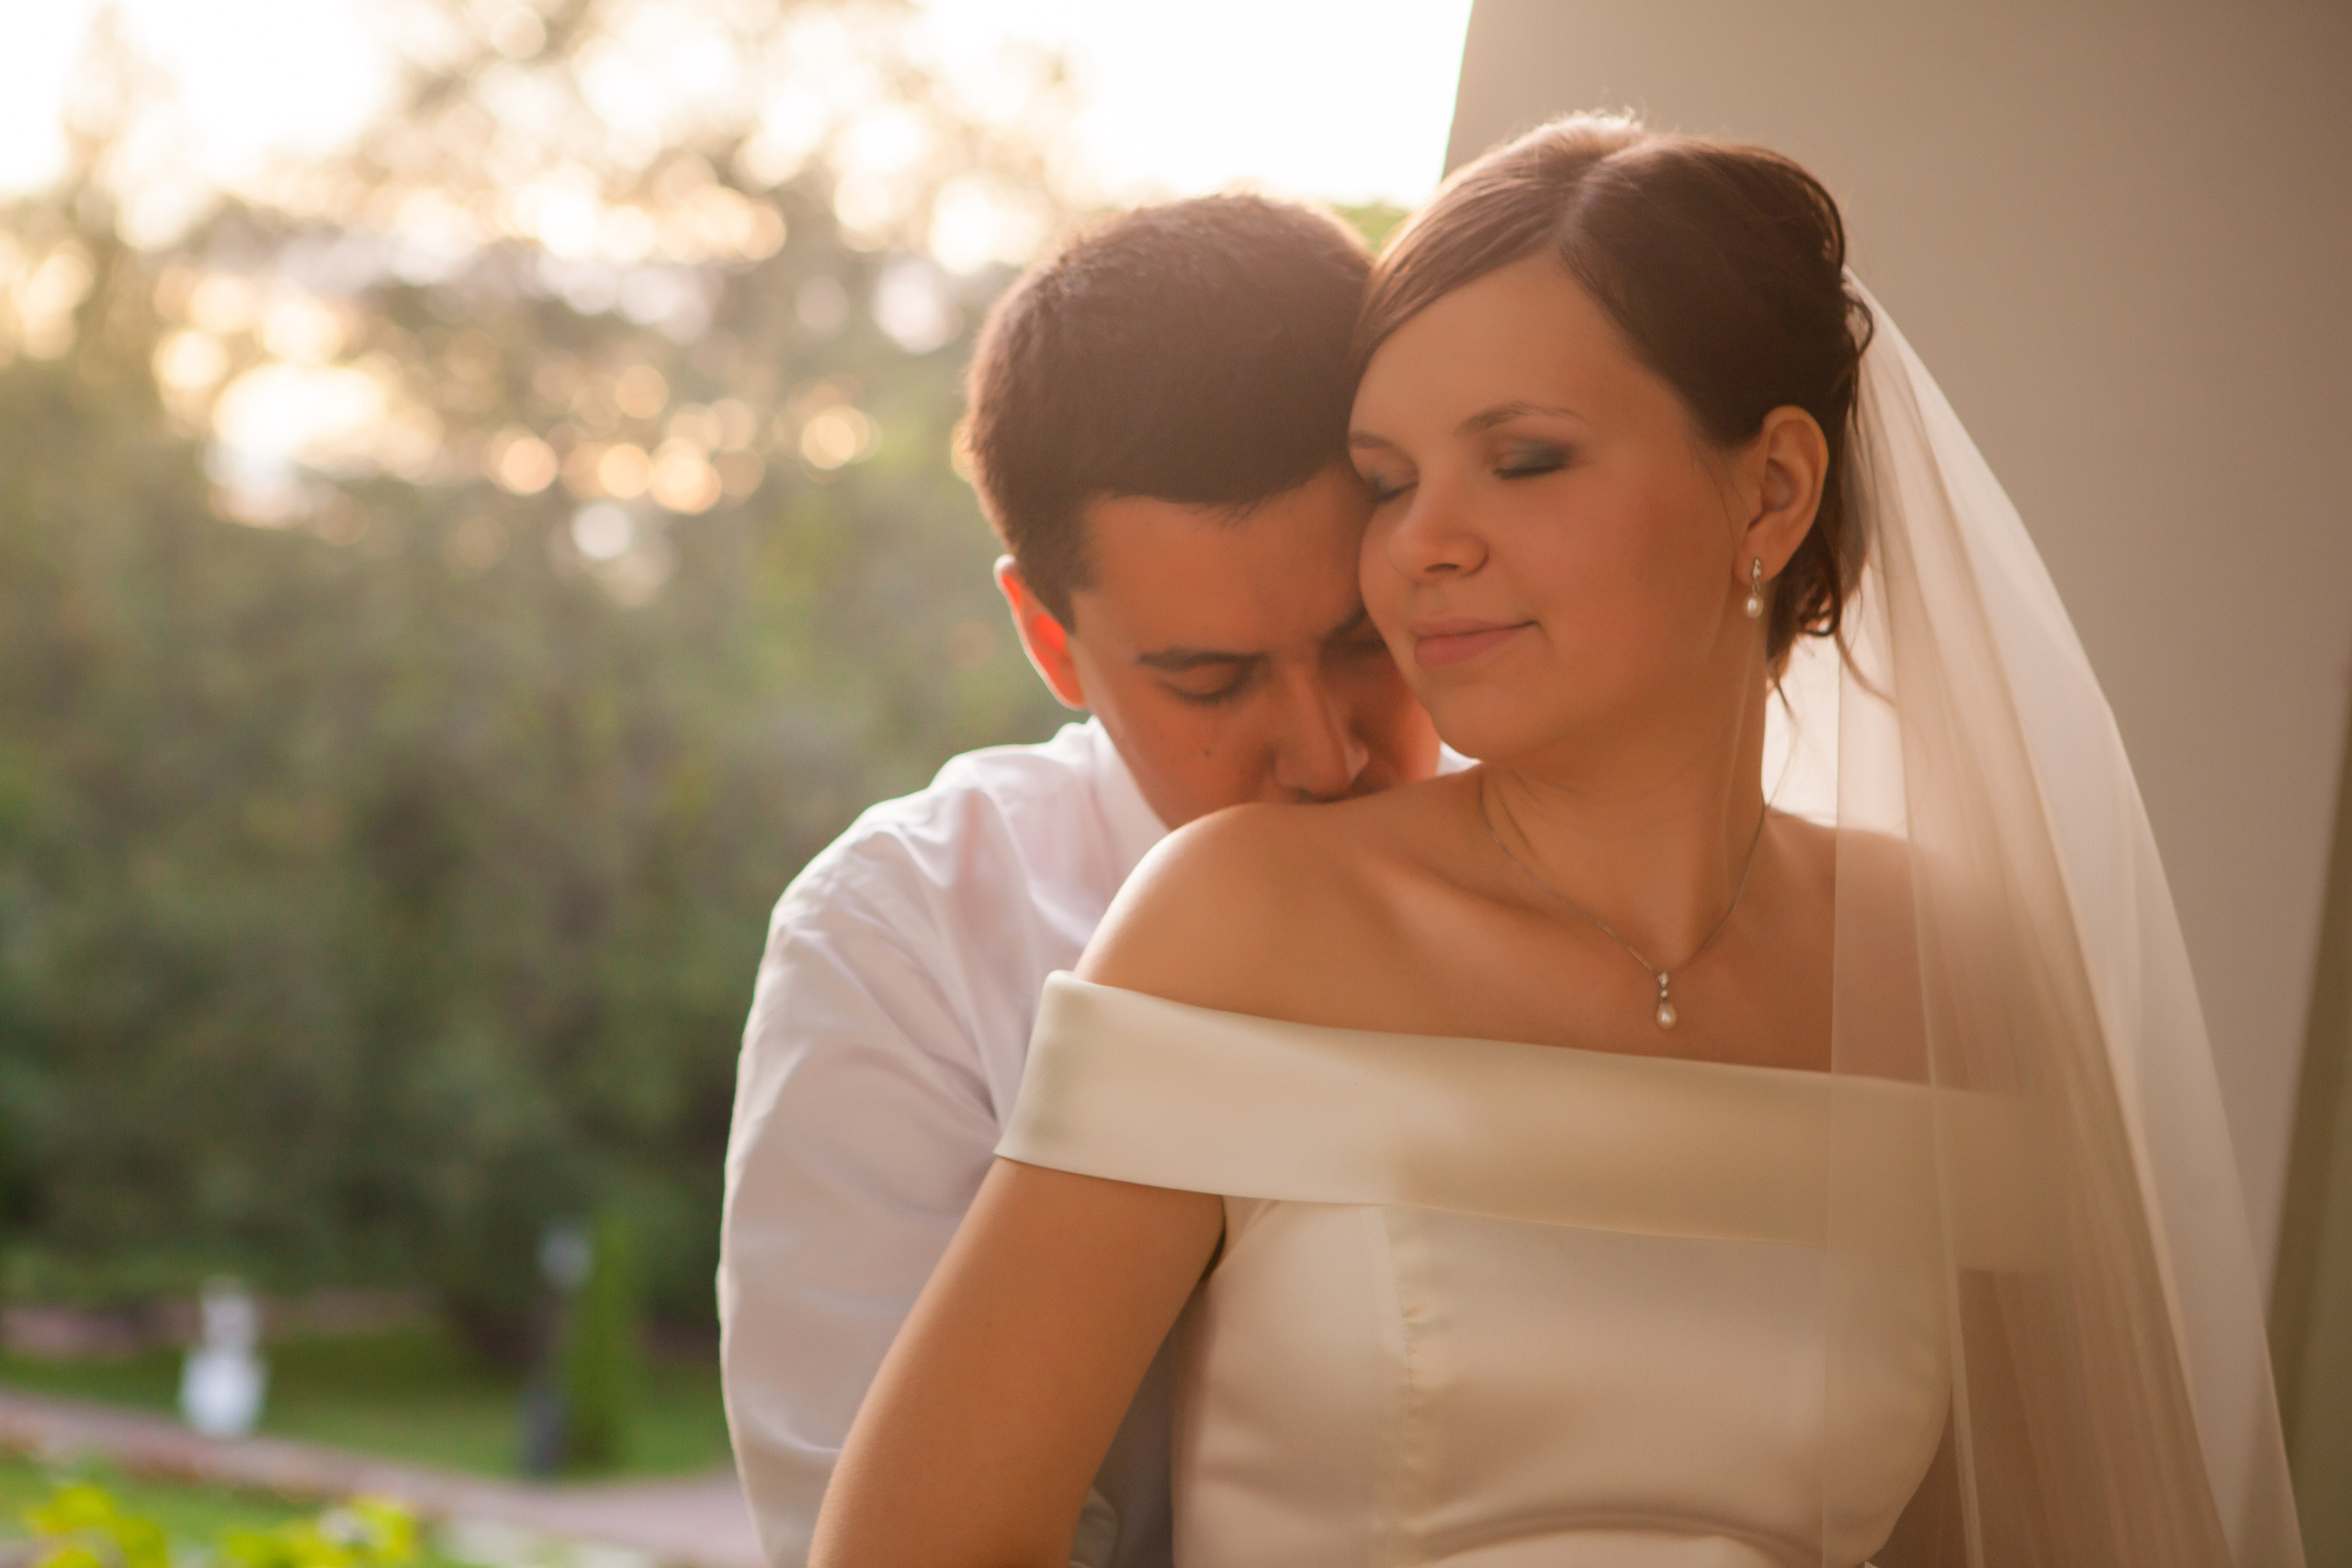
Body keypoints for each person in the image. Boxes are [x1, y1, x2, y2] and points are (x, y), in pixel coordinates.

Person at [808, 115, 2304, 1566]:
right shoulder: (1238, 914)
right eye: (1388, 484)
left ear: (1772, 489)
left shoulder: (1957, 973)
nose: (1421, 542)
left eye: (1521, 459)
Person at [718, 194, 1443, 1568]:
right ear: (1052, 643)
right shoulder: (901, 942)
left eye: (1365, 639)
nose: (1328, 751)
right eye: (1211, 680)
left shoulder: (1602, 864)